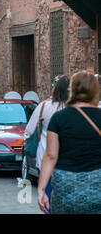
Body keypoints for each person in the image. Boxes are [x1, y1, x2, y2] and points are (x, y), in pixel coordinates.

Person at [38, 71, 101, 214]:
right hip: (98, 184)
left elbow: (51, 156)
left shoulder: (59, 118)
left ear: (72, 89)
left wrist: (42, 189)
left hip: (65, 185)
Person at [25, 75, 70, 213]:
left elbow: (29, 131)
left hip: (45, 158)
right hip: (68, 160)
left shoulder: (44, 106)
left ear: (55, 89)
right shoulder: (73, 108)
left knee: (48, 196)